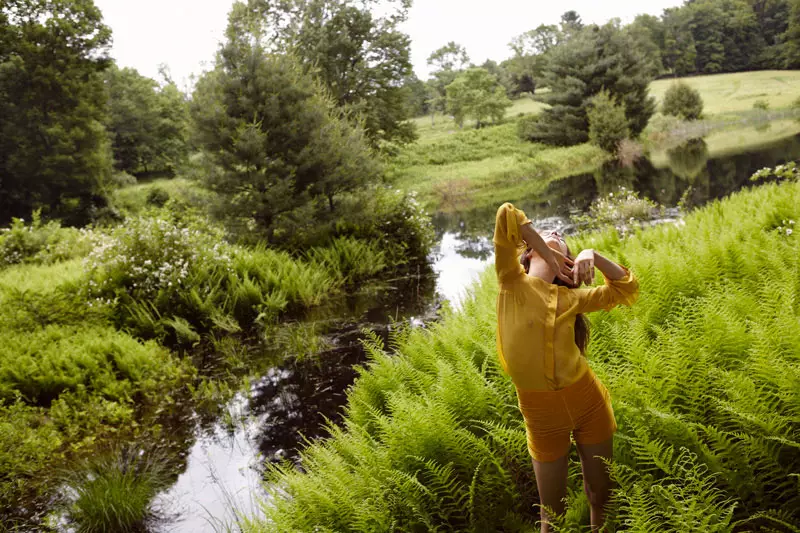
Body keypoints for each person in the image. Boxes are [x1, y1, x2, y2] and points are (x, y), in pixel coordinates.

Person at [493, 202, 639, 532]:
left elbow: (627, 289)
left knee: (600, 495)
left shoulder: (571, 300)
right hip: (542, 418)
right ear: (528, 254)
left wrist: (592, 254)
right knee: (551, 516)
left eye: (562, 237)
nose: (557, 235)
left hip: (588, 403)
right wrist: (547, 245)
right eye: (549, 234)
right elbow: (507, 215)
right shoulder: (511, 283)